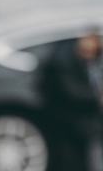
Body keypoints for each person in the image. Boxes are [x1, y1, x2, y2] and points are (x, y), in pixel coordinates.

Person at [40, 29, 103, 171]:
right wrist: (98, 97)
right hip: (72, 118)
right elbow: (71, 90)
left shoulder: (93, 62)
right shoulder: (64, 60)